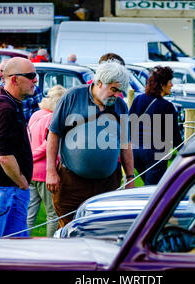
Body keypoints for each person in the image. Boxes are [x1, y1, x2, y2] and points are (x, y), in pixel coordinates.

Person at [46, 60, 135, 227]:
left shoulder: (120, 106)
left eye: (120, 91)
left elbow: (125, 143)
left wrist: (130, 177)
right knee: (70, 229)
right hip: (71, 182)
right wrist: (50, 170)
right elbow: (54, 133)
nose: (117, 95)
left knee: (103, 229)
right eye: (114, 90)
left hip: (108, 184)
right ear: (100, 82)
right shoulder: (72, 97)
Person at [0, 57, 36, 237]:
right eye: (30, 76)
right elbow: (4, 156)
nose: (35, 80)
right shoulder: (4, 109)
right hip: (9, 190)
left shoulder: (5, 102)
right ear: (14, 79)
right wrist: (22, 183)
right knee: (12, 251)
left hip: (6, 190)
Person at [129, 66, 182, 185]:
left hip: (136, 152)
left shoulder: (138, 99)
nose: (172, 85)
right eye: (170, 82)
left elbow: (129, 124)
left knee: (148, 188)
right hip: (155, 153)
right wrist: (184, 151)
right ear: (162, 85)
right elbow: (174, 135)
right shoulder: (166, 106)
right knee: (152, 191)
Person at [27, 85, 66, 237]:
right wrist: (34, 155)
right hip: (45, 173)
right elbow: (48, 144)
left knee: (30, 213)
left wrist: (29, 157)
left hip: (30, 171)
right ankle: (50, 245)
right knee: (52, 214)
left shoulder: (35, 115)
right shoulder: (53, 119)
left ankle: (21, 242)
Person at [0, 59, 42, 123]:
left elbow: (39, 114)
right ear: (14, 80)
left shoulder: (33, 89)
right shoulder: (2, 105)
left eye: (2, 71)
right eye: (30, 76)